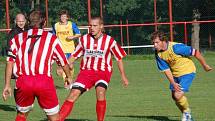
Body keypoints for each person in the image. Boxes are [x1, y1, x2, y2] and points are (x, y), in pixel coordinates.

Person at [2, 10, 72, 121]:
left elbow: (10, 61)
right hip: (44, 81)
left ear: (28, 22)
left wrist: (7, 85)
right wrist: (68, 76)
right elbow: (63, 61)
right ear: (44, 23)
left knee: (21, 115)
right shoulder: (52, 38)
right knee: (54, 118)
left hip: (23, 81)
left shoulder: (17, 38)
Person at [59, 16, 129, 121]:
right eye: (90, 25)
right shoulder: (83, 39)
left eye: (95, 25)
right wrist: (62, 67)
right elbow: (74, 56)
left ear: (101, 26)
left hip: (103, 72)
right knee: (73, 94)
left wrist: (123, 76)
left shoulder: (109, 40)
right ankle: (58, 119)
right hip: (86, 73)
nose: (92, 28)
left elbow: (119, 58)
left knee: (100, 91)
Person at [151, 31, 213, 121]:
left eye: (157, 42)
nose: (154, 45)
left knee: (178, 95)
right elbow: (166, 70)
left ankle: (187, 113)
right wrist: (173, 83)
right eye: (153, 43)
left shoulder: (176, 48)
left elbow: (196, 52)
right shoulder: (158, 54)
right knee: (174, 97)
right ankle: (187, 115)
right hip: (175, 74)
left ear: (163, 40)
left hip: (187, 72)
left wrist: (205, 65)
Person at [52, 10, 81, 88]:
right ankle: (67, 83)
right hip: (61, 49)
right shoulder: (56, 25)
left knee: (71, 66)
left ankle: (69, 79)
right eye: (62, 16)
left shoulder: (72, 24)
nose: (63, 18)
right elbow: (53, 36)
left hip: (71, 48)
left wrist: (72, 37)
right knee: (65, 66)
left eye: (64, 16)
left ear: (67, 17)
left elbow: (79, 34)